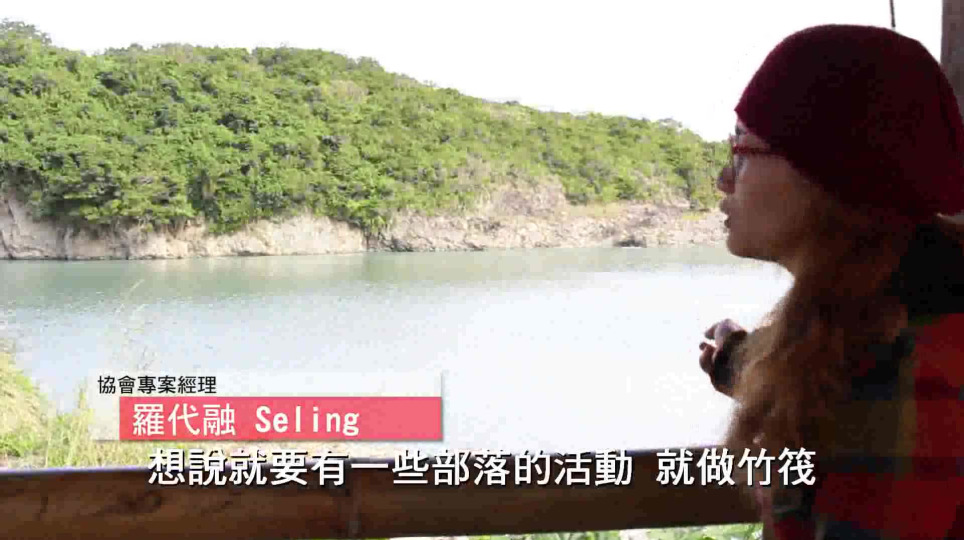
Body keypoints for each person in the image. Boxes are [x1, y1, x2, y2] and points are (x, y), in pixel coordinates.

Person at [697, 24, 964, 540]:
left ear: (824, 174)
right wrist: (742, 364)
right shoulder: (903, 310)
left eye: (742, 150)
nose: (724, 179)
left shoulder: (902, 370)